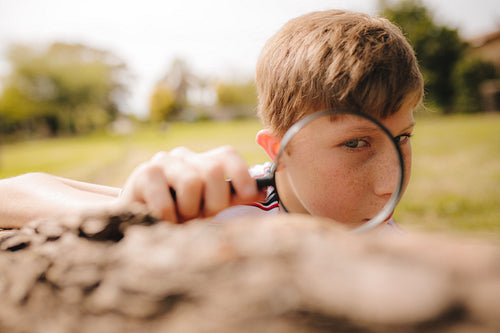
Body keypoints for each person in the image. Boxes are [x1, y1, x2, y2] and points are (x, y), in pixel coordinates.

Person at [0, 10, 423, 231]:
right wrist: (125, 212)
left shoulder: (380, 232)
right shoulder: (230, 208)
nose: (392, 182)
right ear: (280, 152)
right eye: (356, 143)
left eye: (402, 137)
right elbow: (12, 193)